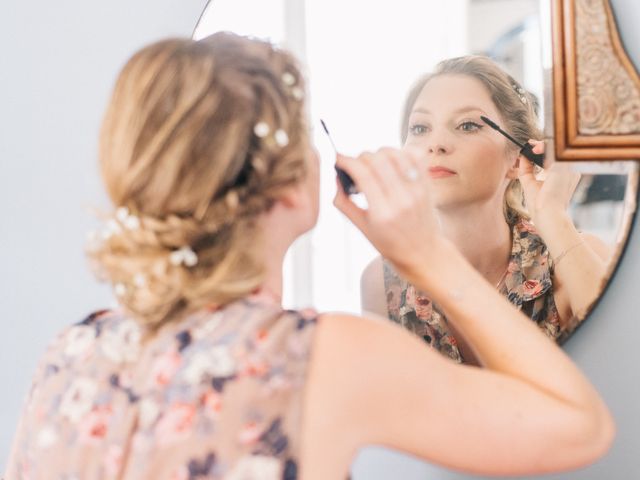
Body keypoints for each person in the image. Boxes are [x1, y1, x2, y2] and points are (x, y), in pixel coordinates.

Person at [5, 34, 614, 480]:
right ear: (295, 185)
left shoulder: (68, 356)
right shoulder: (315, 356)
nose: (437, 143)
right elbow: (580, 427)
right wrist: (427, 257)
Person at [362, 56, 611, 365]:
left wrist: (552, 215)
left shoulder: (574, 261)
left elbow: (623, 356)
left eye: (467, 125)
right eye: (420, 127)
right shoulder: (383, 282)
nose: (436, 144)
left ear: (516, 157)